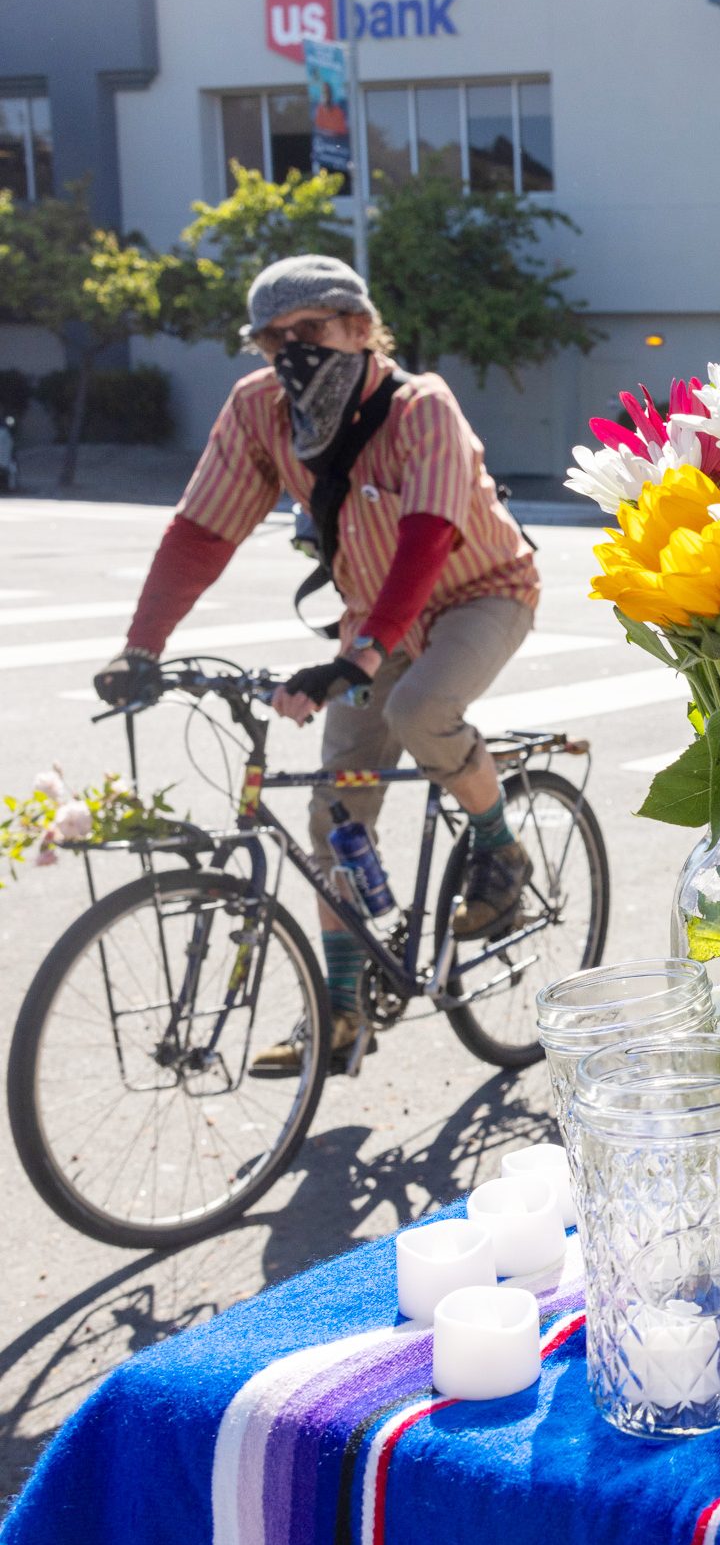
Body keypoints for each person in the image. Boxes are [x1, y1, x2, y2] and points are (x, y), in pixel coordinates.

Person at [92, 255, 540, 1075]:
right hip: (375, 617)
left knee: (419, 710)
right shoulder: (260, 410)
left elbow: (428, 538)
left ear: (362, 329)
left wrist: (360, 655)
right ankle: (338, 1016)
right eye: (274, 340)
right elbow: (202, 532)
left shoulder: (421, 406)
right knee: (337, 813)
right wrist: (142, 646)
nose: (292, 353)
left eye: (312, 332)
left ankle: (500, 843)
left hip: (480, 591)